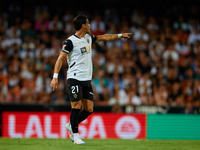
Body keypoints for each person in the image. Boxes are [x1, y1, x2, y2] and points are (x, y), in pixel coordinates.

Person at [50, 14, 132, 144]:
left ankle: (71, 125)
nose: (90, 25)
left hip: (86, 80)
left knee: (89, 109)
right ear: (83, 25)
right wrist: (55, 77)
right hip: (74, 78)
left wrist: (120, 35)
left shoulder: (89, 38)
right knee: (76, 106)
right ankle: (75, 136)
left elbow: (104, 37)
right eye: (88, 23)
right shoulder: (70, 41)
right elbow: (60, 59)